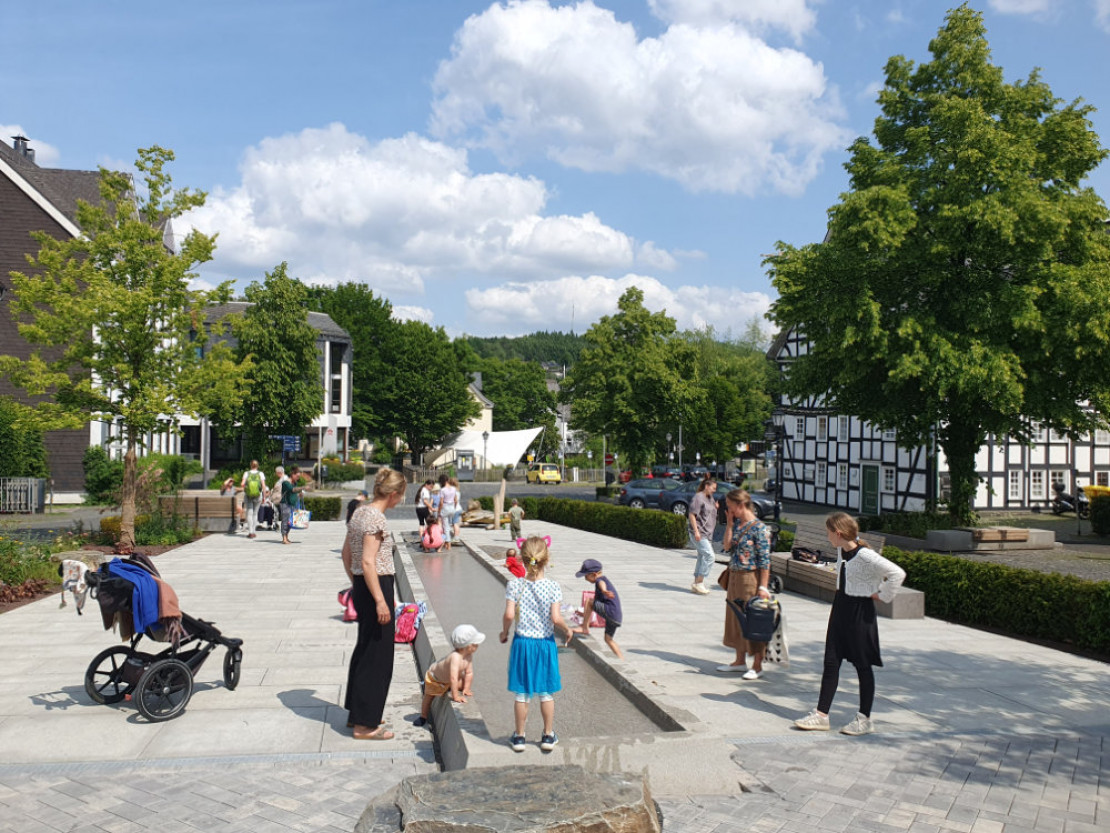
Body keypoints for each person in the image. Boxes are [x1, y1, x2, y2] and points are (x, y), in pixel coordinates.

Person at [794, 512, 906, 736]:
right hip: (840, 609)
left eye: (828, 533)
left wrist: (881, 595)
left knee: (862, 665)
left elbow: (897, 573)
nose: (827, 538)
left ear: (838, 533)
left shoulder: (865, 555)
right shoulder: (842, 551)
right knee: (831, 661)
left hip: (859, 613)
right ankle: (821, 715)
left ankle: (864, 719)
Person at [342, 467, 407, 740]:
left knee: (365, 649)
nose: (402, 500)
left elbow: (348, 554)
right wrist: (380, 600)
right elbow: (368, 560)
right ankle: (365, 726)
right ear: (392, 494)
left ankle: (359, 713)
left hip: (362, 584)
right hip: (376, 586)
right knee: (378, 657)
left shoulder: (359, 512)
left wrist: (356, 581)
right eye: (401, 495)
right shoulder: (377, 520)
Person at [499, 536, 571, 753]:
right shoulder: (552, 586)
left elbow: (509, 614)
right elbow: (556, 618)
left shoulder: (515, 584)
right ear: (546, 559)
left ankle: (519, 737)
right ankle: (548, 735)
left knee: (522, 693)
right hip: (545, 644)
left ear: (522, 558)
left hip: (522, 643)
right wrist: (568, 630)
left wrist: (504, 632)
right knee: (546, 692)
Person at [718, 489, 772, 679]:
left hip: (750, 578)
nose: (729, 510)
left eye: (731, 507)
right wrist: (730, 524)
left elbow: (765, 561)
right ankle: (739, 661)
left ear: (740, 505)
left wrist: (763, 587)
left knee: (753, 620)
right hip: (734, 576)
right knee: (735, 619)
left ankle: (757, 665)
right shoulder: (739, 526)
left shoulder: (760, 528)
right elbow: (726, 546)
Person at [413, 624, 485, 727]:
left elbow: (469, 673)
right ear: (467, 646)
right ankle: (423, 716)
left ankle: (450, 688)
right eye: (475, 644)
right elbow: (453, 678)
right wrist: (455, 696)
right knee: (428, 697)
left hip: (447, 681)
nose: (477, 646)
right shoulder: (455, 657)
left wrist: (466, 688)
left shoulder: (468, 656)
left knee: (463, 682)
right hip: (435, 679)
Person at [568, 558, 623, 659]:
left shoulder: (599, 580)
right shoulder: (602, 579)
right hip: (616, 617)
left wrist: (604, 590)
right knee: (608, 639)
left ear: (594, 574)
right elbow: (594, 607)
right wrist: (584, 614)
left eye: (586, 576)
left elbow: (601, 583)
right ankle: (621, 659)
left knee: (589, 601)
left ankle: (585, 628)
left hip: (610, 611)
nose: (585, 579)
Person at [688, 478, 718, 595]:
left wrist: (715, 507)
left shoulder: (710, 498)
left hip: (707, 533)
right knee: (710, 556)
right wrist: (696, 532)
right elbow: (691, 515)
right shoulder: (698, 497)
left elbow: (709, 512)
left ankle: (696, 583)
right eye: (713, 488)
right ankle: (699, 582)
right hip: (700, 533)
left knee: (702, 556)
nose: (714, 491)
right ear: (707, 486)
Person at [278, 465, 311, 545]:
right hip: (285, 504)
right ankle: (284, 538)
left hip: (292, 504)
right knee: (285, 521)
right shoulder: (286, 483)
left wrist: (299, 495)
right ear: (292, 474)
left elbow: (294, 494)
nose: (298, 478)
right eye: (297, 476)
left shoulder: (294, 483)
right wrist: (303, 487)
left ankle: (287, 536)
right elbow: (292, 490)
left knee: (290, 522)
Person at [240, 460, 268, 539]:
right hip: (258, 495)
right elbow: (263, 486)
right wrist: (264, 497)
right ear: (257, 466)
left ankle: (250, 532)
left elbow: (242, 484)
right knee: (255, 513)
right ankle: (254, 532)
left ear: (250, 465)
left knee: (249, 513)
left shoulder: (246, 473)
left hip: (248, 495)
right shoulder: (260, 474)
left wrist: (246, 487)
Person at [439, 475, 458, 551]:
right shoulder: (454, 489)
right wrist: (454, 507)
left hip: (445, 507)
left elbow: (441, 502)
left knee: (446, 527)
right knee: (449, 526)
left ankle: (448, 544)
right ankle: (447, 544)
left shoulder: (442, 490)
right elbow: (456, 500)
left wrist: (439, 511)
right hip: (452, 507)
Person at [448, 476, 463, 542]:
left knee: (455, 524)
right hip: (459, 508)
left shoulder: (452, 491)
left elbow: (454, 501)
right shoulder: (457, 491)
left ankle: (456, 537)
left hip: (455, 509)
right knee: (456, 523)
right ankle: (456, 536)